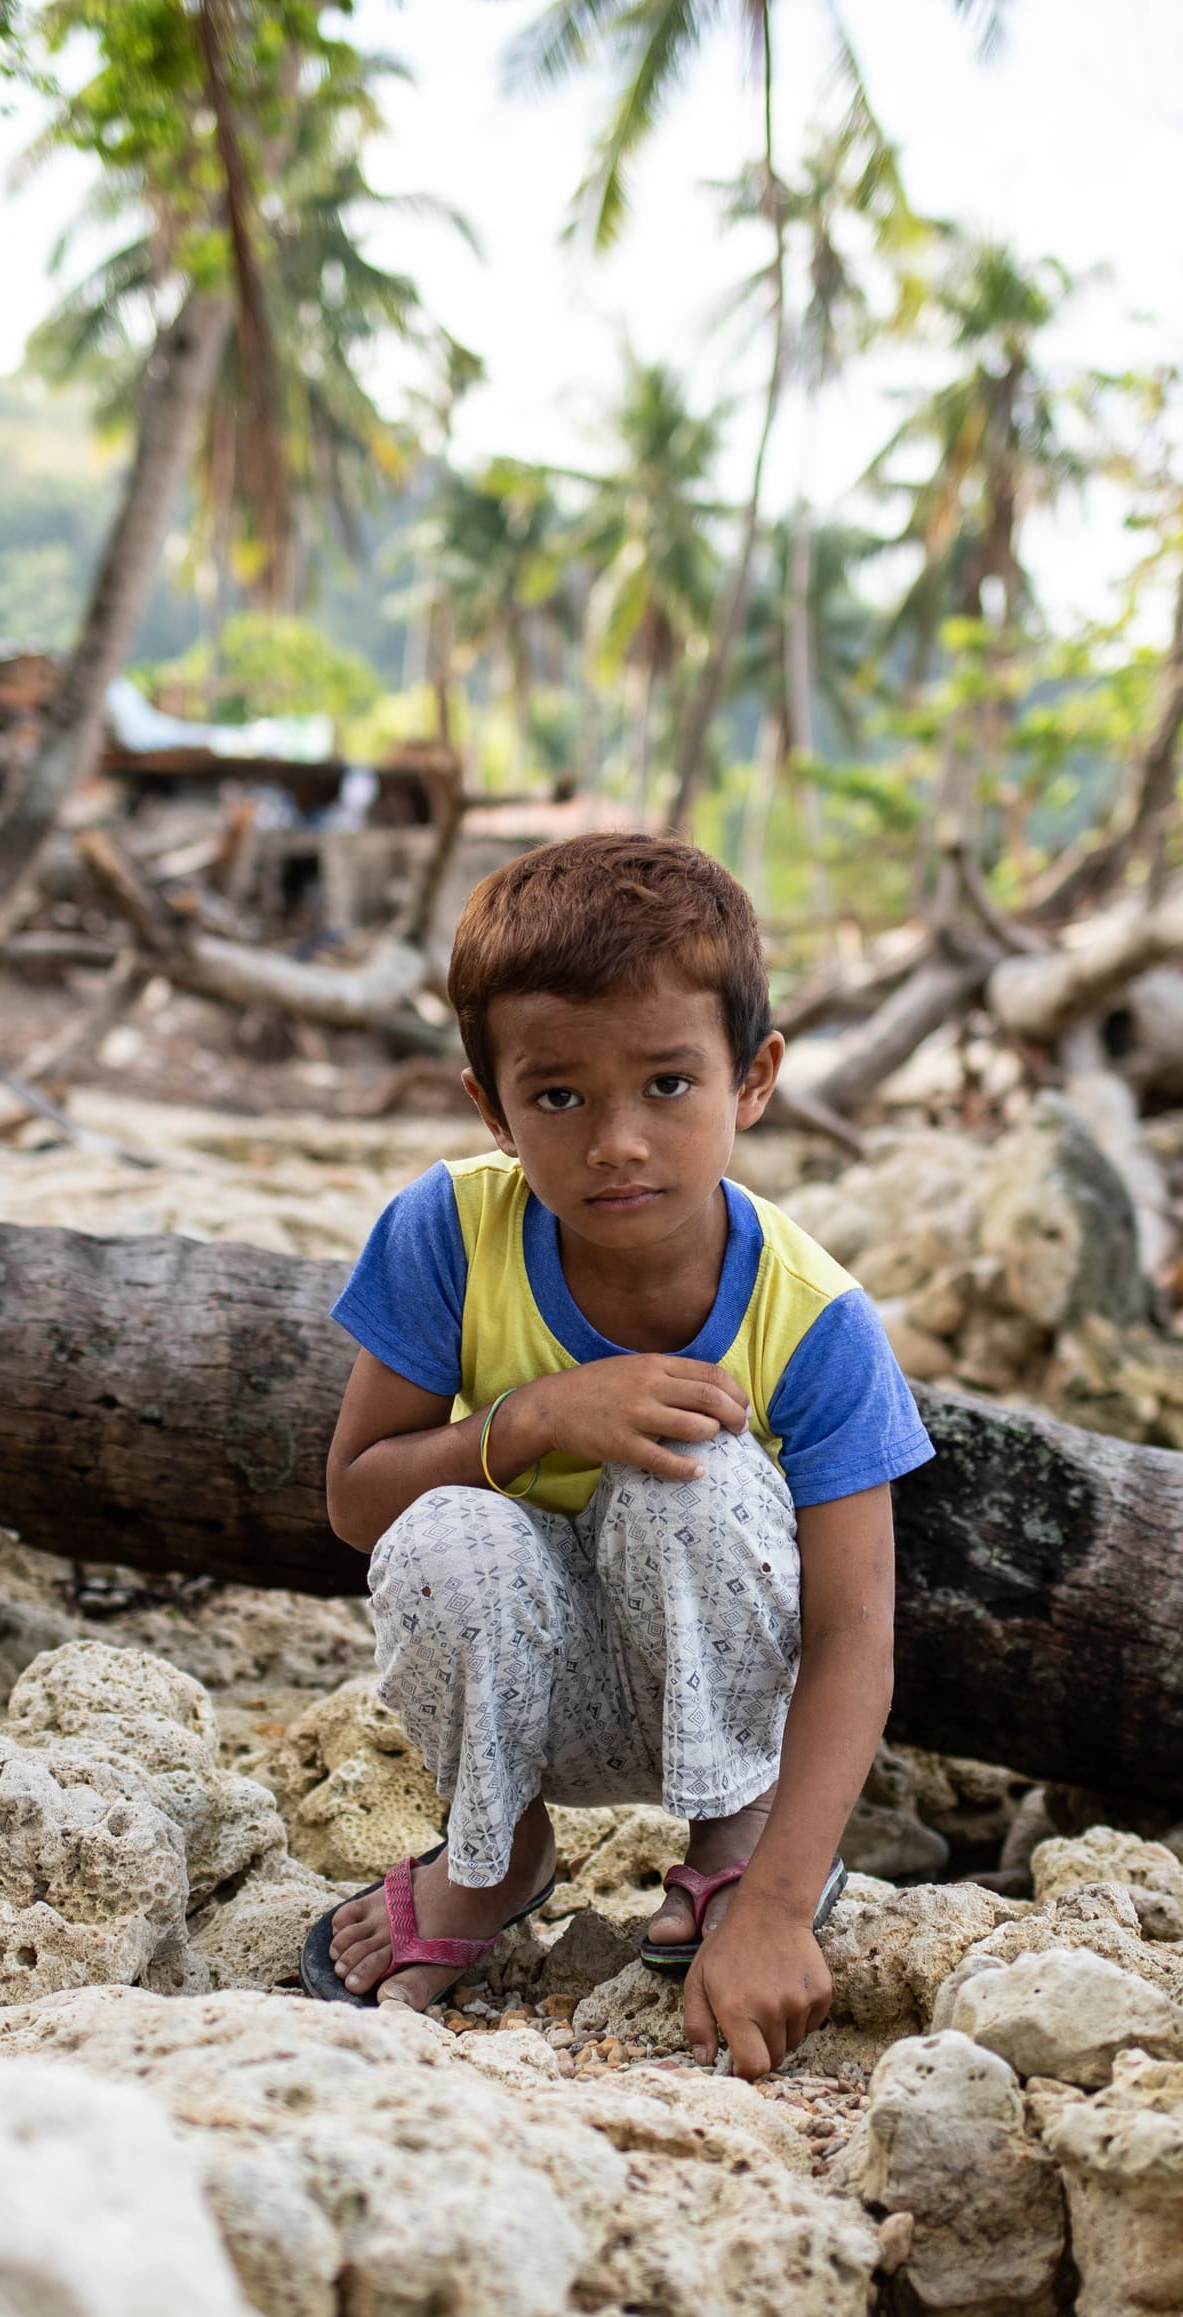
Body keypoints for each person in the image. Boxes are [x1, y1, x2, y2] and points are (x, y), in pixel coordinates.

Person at [306, 831, 932, 2078]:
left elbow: (858, 1629)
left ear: (752, 1079)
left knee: (684, 1475)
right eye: (557, 1096)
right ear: (491, 1104)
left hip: (726, 1701)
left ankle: (729, 1853)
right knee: (445, 1530)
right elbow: (356, 1502)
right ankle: (494, 1856)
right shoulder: (450, 1231)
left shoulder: (813, 1320)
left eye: (665, 1084)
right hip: (537, 1696)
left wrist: (780, 1905)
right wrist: (535, 1419)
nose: (617, 1143)